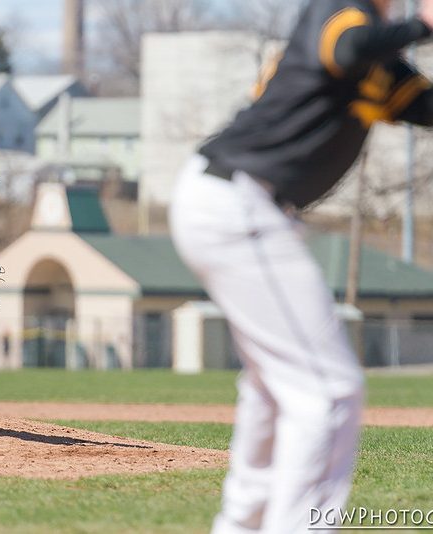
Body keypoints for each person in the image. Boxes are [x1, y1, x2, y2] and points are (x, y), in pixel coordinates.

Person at [169, 0, 433, 532]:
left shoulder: (379, 57)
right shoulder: (339, 11)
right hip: (236, 204)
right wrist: (423, 25)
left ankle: (242, 523)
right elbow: (346, 48)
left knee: (273, 388)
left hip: (237, 205)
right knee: (329, 390)